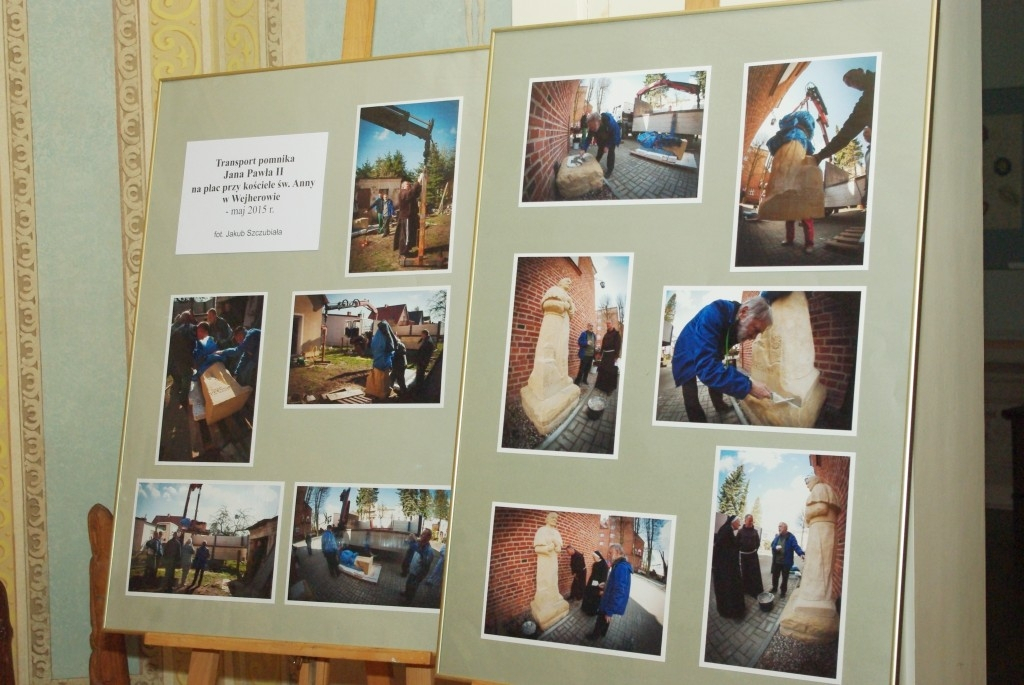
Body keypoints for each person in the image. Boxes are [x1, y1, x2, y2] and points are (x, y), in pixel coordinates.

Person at [671, 296, 774, 422]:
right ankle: (698, 424)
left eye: (758, 334)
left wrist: (737, 380)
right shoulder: (715, 312)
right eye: (756, 330)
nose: (754, 337)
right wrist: (748, 386)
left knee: (717, 371)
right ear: (743, 312)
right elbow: (707, 368)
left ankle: (720, 406)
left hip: (707, 349)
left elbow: (726, 362)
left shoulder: (737, 327)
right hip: (685, 351)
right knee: (690, 391)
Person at [765, 110, 817, 254]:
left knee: (804, 214)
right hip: (790, 177)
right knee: (790, 213)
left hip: (799, 178)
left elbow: (811, 154)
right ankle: (790, 239)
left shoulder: (799, 138)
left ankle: (809, 243)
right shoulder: (792, 134)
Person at [811, 68, 876, 167]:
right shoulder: (863, 107)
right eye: (849, 84)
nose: (853, 84)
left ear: (860, 70)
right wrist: (820, 156)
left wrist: (820, 156)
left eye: (851, 78)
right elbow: (845, 134)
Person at [800, 474, 841, 602]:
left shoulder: (820, 488)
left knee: (818, 562)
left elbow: (821, 508)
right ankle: (815, 594)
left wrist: (807, 515)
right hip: (820, 529)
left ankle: (815, 596)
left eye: (808, 481)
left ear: (815, 480)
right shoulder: (821, 489)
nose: (807, 484)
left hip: (821, 530)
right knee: (819, 563)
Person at [586, 543, 631, 639]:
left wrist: (609, 611)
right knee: (605, 619)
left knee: (601, 619)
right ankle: (603, 633)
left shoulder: (621, 567)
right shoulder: (618, 565)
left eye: (610, 553)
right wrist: (606, 585)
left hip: (608, 602)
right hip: (609, 600)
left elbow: (619, 591)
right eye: (608, 553)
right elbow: (615, 583)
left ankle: (594, 636)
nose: (608, 555)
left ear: (618, 552)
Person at [711, 515, 745, 618]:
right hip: (725, 568)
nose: (739, 524)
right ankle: (730, 612)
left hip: (724, 567)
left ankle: (728, 610)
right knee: (728, 589)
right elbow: (725, 550)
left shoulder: (727, 530)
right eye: (738, 522)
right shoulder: (727, 530)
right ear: (732, 522)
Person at [769, 522, 805, 597]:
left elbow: (795, 546)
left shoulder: (791, 537)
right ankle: (774, 588)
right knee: (775, 576)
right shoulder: (777, 536)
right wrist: (775, 547)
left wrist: (801, 553)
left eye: (780, 526)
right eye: (778, 526)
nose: (778, 528)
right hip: (777, 561)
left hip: (786, 562)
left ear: (785, 528)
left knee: (785, 578)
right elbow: (773, 544)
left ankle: (783, 592)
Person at [582, 111, 622, 178]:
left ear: (599, 121)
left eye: (593, 127)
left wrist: (607, 146)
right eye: (590, 127)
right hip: (602, 137)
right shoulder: (592, 126)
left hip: (612, 138)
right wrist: (583, 148)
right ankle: (596, 163)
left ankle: (610, 169)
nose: (591, 129)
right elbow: (588, 138)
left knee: (611, 153)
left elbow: (615, 136)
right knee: (600, 149)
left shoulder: (610, 123)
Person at [400, 529, 435, 603]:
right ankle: (406, 593)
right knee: (408, 583)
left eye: (424, 534)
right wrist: (411, 538)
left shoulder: (428, 551)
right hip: (412, 570)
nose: (422, 534)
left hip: (417, 574)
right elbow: (407, 543)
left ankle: (408, 601)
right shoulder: (419, 545)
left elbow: (426, 566)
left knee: (413, 587)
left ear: (428, 537)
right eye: (422, 533)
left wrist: (420, 577)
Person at [367, 321, 396, 400]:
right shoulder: (386, 335)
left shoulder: (378, 335)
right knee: (383, 380)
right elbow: (391, 348)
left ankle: (379, 392)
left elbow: (373, 347)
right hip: (383, 363)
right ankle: (381, 393)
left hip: (380, 362)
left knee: (381, 380)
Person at [737, 514, 764, 598]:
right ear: (745, 521)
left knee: (753, 574)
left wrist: (754, 549)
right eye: (749, 521)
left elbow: (758, 543)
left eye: (752, 520)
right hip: (744, 556)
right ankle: (745, 589)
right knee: (745, 573)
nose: (751, 522)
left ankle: (754, 591)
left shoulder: (755, 531)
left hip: (753, 556)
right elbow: (736, 543)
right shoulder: (740, 531)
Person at [396, 177, 422, 255]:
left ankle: (407, 249)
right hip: (406, 217)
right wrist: (418, 181)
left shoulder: (408, 193)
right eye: (407, 184)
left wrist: (420, 184)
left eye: (409, 184)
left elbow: (415, 193)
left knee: (409, 234)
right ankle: (404, 252)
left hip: (410, 217)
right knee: (406, 235)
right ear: (403, 186)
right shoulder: (403, 193)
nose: (409, 185)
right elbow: (411, 193)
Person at [595, 320, 621, 393]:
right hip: (605, 355)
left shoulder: (616, 334)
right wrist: (600, 354)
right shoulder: (606, 334)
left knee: (610, 371)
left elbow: (618, 346)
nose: (608, 325)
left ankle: (609, 389)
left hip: (612, 355)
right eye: (607, 324)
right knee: (602, 370)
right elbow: (603, 345)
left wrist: (616, 356)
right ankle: (601, 386)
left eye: (609, 323)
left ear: (612, 324)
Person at [581, 550, 609, 615]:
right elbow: (593, 574)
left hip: (598, 584)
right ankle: (585, 608)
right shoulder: (595, 564)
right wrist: (589, 582)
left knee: (595, 598)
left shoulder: (604, 565)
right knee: (588, 594)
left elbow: (604, 577)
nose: (593, 558)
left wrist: (601, 588)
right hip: (591, 583)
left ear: (598, 557)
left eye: (594, 557)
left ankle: (591, 611)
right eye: (593, 557)